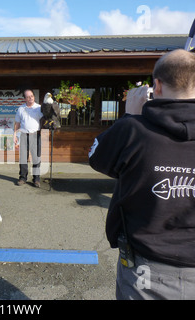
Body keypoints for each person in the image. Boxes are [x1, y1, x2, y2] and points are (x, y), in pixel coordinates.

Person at [88, 49, 195, 300]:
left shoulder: (133, 130)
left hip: (145, 267)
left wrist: (130, 116)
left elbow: (97, 158)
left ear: (156, 86)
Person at [13, 89, 43, 187]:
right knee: (23, 159)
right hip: (24, 135)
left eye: (32, 96)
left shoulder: (39, 108)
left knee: (36, 158)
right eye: (28, 97)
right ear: (25, 99)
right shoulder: (21, 109)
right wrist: (14, 135)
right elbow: (17, 123)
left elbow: (44, 120)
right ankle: (22, 178)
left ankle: (36, 179)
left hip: (35, 135)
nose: (30, 98)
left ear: (34, 97)